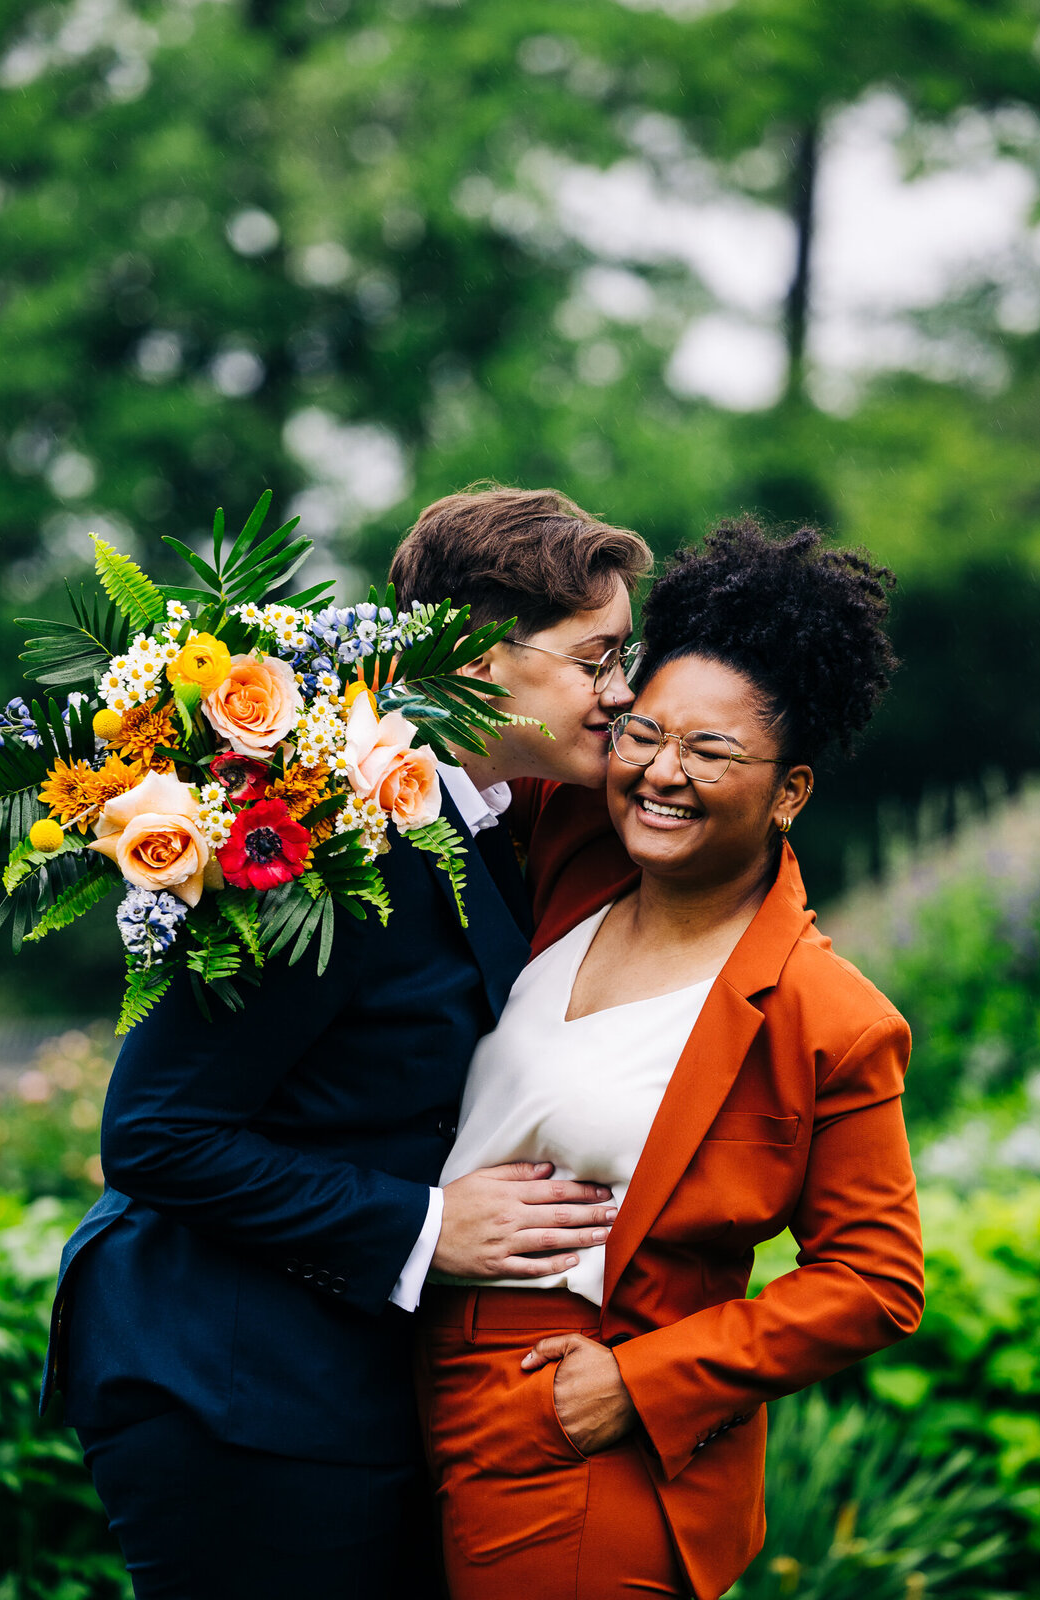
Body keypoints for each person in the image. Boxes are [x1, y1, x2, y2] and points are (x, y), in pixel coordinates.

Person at [41, 486, 652, 1600]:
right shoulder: (326, 839)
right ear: (473, 657)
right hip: (221, 1382)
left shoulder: (466, 829)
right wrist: (426, 1223)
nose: (621, 693)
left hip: (326, 1377)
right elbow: (156, 1132)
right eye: (596, 659)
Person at [417, 518, 926, 1600]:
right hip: (400, 1379)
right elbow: (501, 698)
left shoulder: (825, 1013)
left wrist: (642, 1382)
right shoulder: (571, 847)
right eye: (645, 733)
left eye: (711, 753)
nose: (661, 773)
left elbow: (876, 1281)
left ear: (788, 793)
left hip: (571, 1428)